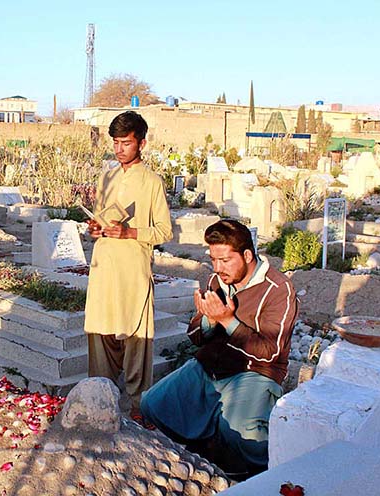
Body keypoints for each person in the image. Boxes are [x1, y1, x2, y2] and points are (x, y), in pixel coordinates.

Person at [140, 219, 298, 479]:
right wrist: (208, 320)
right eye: (213, 260)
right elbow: (195, 336)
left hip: (254, 372)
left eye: (225, 260)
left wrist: (227, 321)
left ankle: (263, 477)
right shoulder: (216, 280)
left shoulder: (278, 290)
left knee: (242, 436)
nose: (217, 268)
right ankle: (204, 454)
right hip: (209, 366)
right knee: (153, 404)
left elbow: (270, 351)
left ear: (247, 255)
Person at [84, 111, 173, 420]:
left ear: (141, 143)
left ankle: (138, 408)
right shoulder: (106, 176)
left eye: (126, 143)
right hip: (104, 266)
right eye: (116, 143)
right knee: (99, 335)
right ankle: (100, 402)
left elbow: (164, 231)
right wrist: (95, 229)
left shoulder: (152, 182)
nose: (119, 149)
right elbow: (101, 218)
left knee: (137, 340)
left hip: (134, 271)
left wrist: (131, 232)